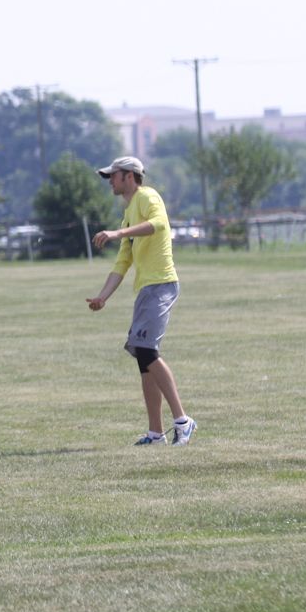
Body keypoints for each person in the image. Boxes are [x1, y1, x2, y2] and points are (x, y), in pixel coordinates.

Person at [86, 156, 197, 446]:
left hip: (161, 284)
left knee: (147, 351)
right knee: (143, 358)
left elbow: (159, 224)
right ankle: (155, 433)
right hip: (146, 289)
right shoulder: (128, 213)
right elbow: (122, 262)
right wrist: (102, 297)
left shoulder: (148, 196)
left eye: (113, 175)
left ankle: (183, 421)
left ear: (129, 176)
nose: (110, 181)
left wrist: (118, 233)